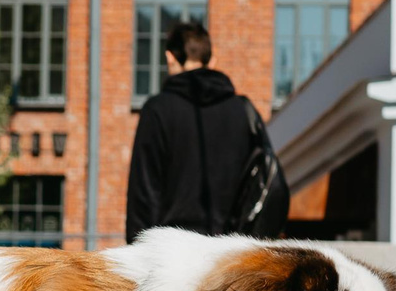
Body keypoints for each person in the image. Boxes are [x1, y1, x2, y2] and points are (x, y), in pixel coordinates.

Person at [124, 20, 289, 241]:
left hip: (171, 251)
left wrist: (137, 247)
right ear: (212, 61)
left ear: (170, 58)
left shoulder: (157, 110)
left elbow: (143, 196)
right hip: (230, 252)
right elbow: (265, 183)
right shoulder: (243, 111)